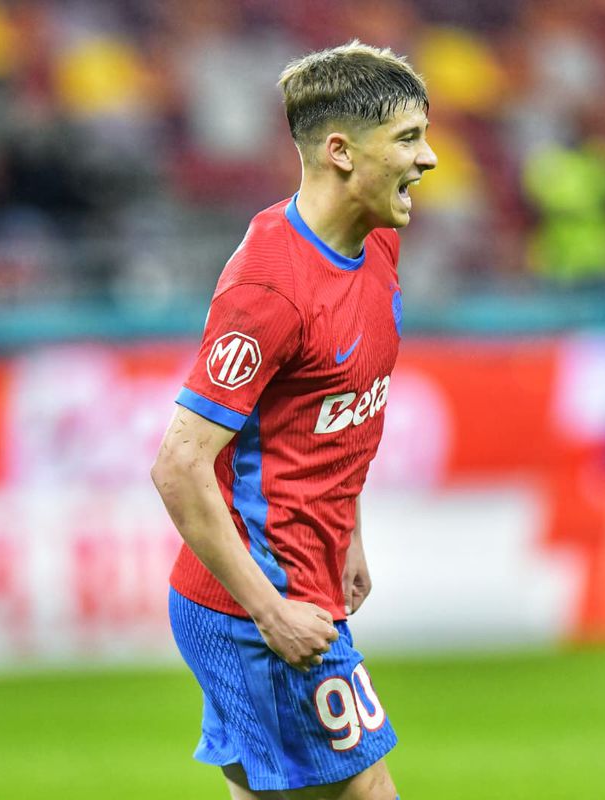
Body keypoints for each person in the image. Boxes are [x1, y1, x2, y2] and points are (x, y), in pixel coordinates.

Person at [151, 40, 436, 800]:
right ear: (341, 152)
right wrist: (270, 612)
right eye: (408, 138)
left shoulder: (378, 241)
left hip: (300, 579)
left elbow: (333, 411)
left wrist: (350, 532)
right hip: (262, 602)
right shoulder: (269, 289)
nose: (429, 158)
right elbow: (178, 465)